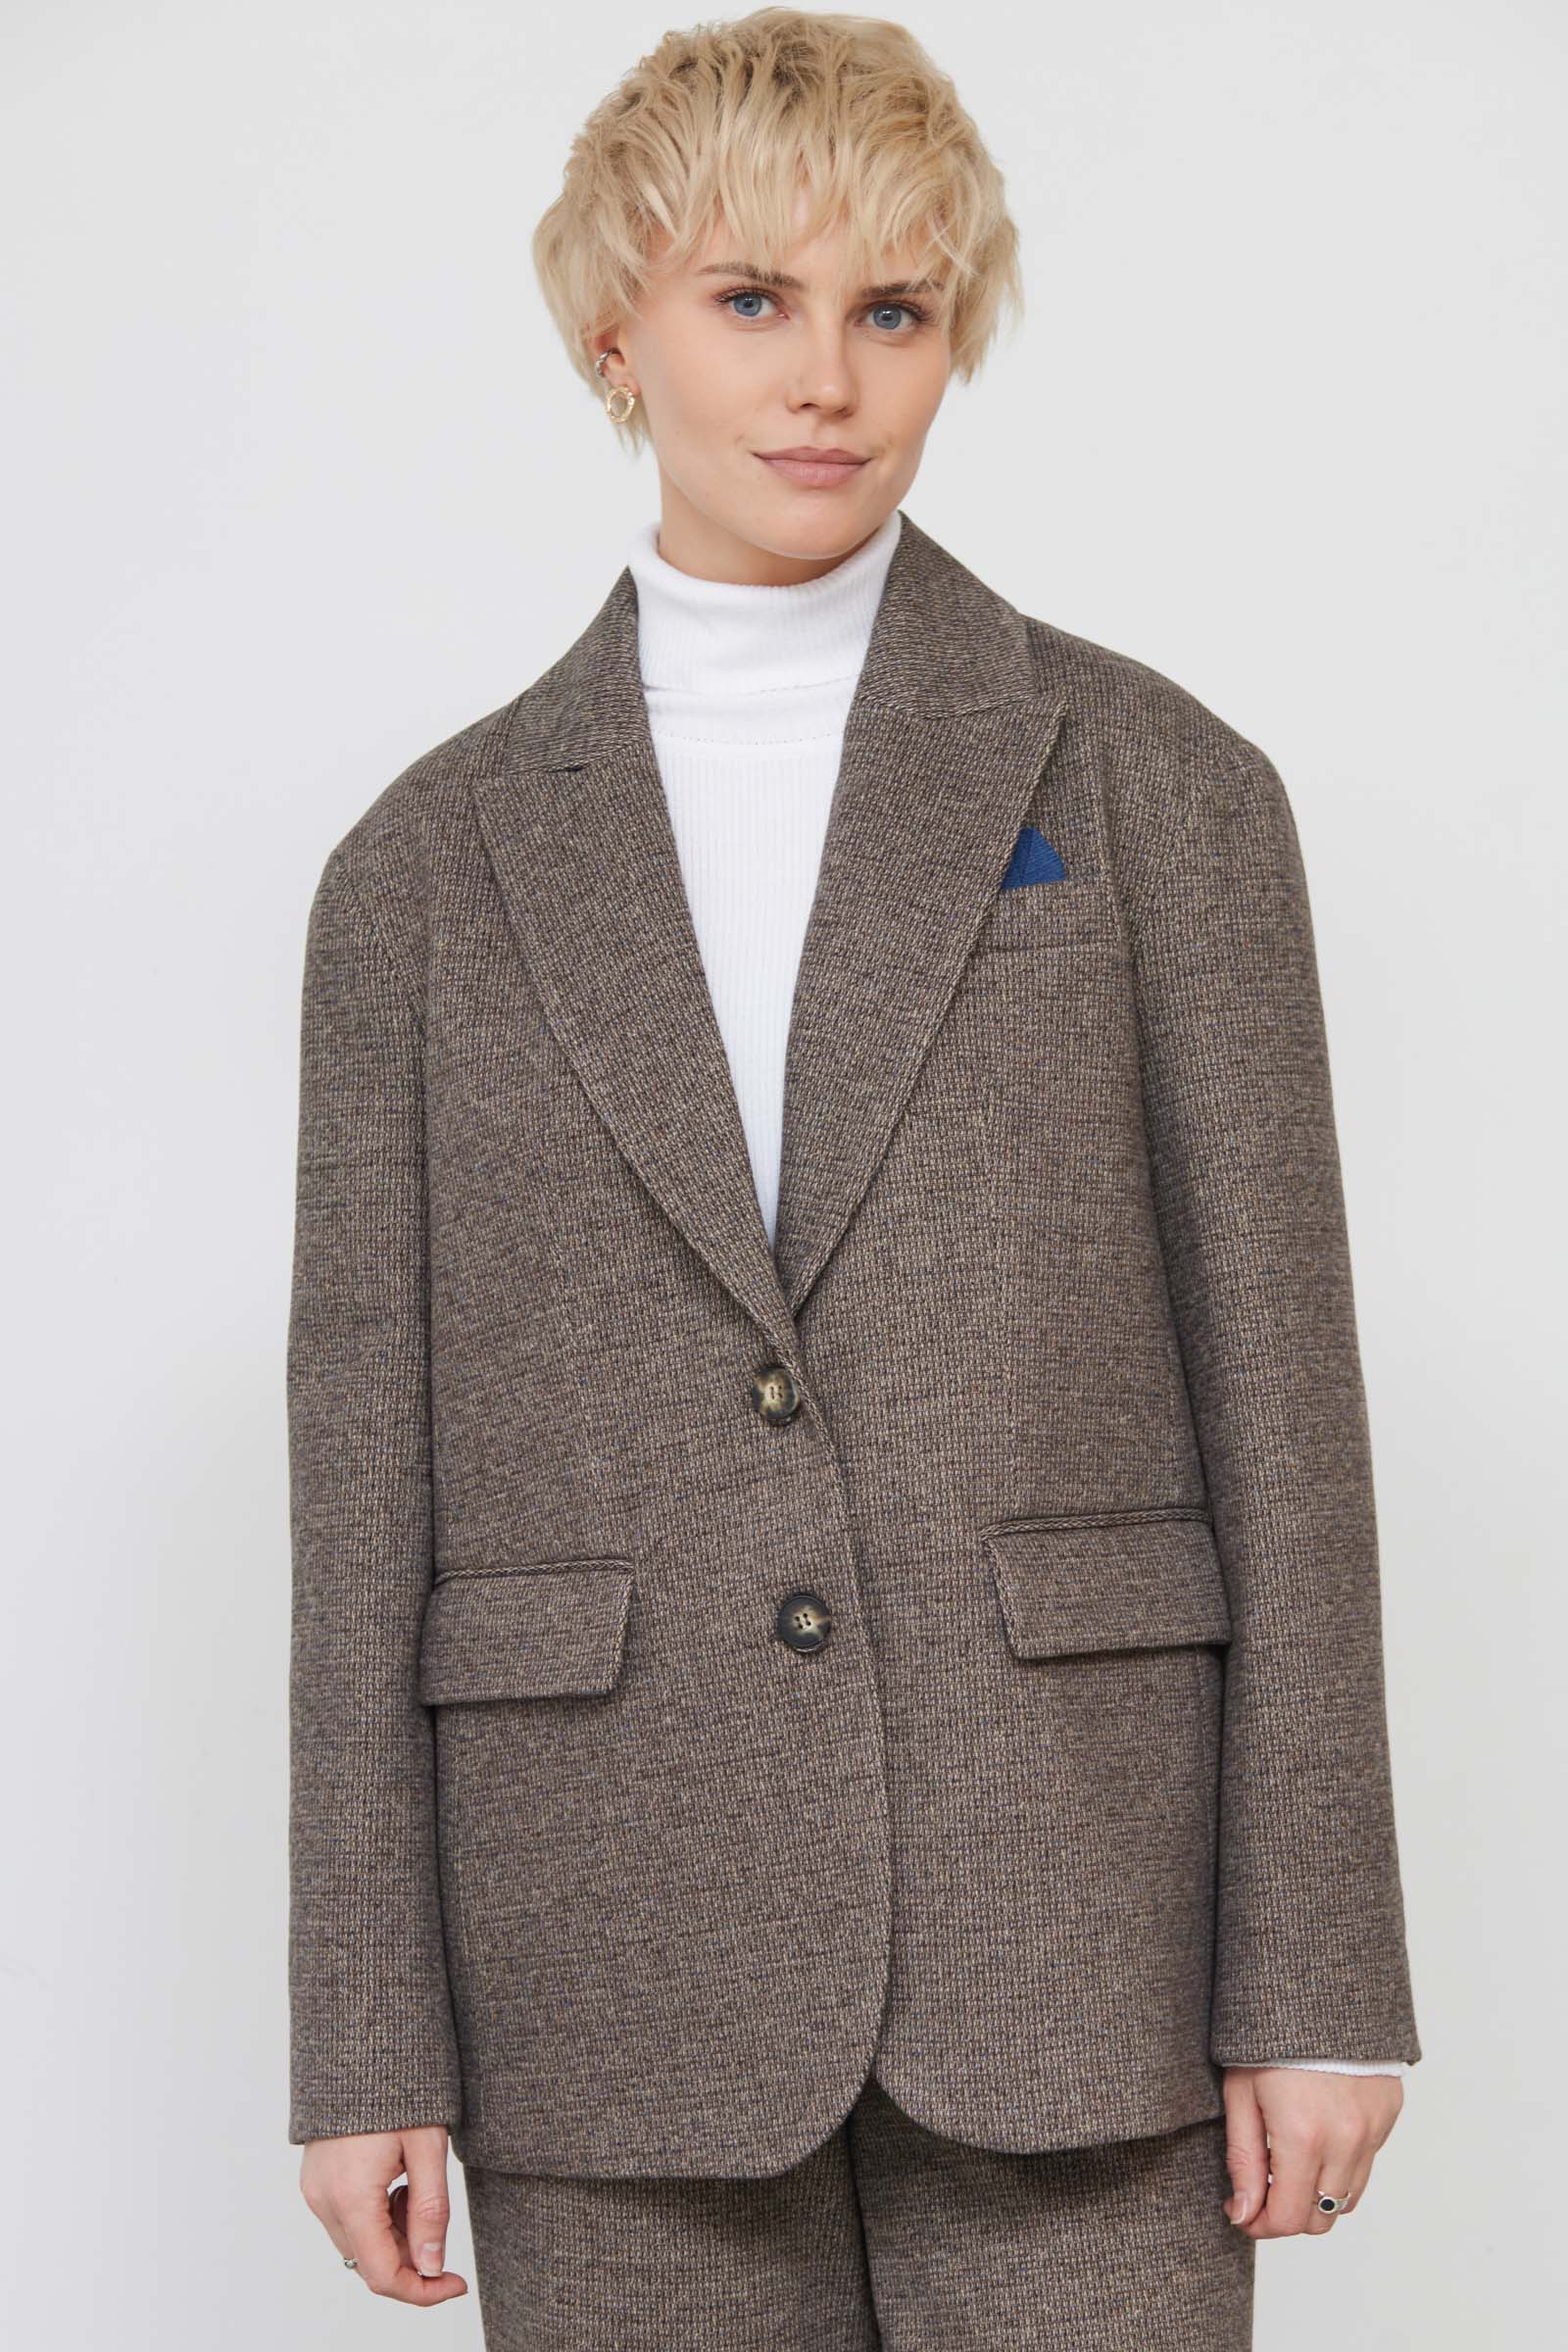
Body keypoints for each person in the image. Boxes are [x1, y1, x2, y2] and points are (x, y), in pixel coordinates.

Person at [285, 12, 1421, 2345]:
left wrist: (1316, 1975)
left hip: (1080, 1931)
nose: (826, 379)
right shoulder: (423, 874)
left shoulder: (1157, 791)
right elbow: (360, 1484)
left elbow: (1283, 1409)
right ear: (613, 332)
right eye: (751, 300)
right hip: (606, 1951)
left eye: (891, 310)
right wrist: (360, 2036)